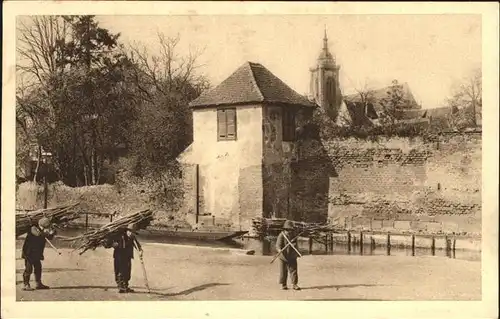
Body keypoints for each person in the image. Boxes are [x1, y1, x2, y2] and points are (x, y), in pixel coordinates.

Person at [104, 223, 143, 293]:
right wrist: (113, 244)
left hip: (128, 257)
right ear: (127, 230)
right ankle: (120, 287)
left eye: (133, 232)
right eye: (130, 231)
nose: (131, 233)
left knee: (127, 272)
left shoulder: (132, 237)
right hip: (119, 256)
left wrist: (140, 251)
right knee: (120, 271)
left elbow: (138, 246)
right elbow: (107, 243)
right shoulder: (119, 236)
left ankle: (125, 286)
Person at [21, 217, 56, 291]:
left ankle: (38, 284)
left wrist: (52, 233)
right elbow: (39, 234)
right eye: (48, 227)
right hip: (29, 252)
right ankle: (26, 284)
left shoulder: (43, 230)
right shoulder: (33, 228)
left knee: (38, 268)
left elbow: (49, 237)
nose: (48, 228)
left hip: (37, 253)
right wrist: (47, 233)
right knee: (28, 269)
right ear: (43, 226)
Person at [275, 220, 301, 290]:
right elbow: (278, 245)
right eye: (287, 230)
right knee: (283, 270)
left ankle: (295, 284)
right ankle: (284, 285)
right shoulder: (281, 235)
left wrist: (294, 245)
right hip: (283, 256)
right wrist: (279, 250)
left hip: (292, 255)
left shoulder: (293, 235)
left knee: (293, 270)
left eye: (290, 230)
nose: (289, 231)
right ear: (285, 229)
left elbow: (296, 245)